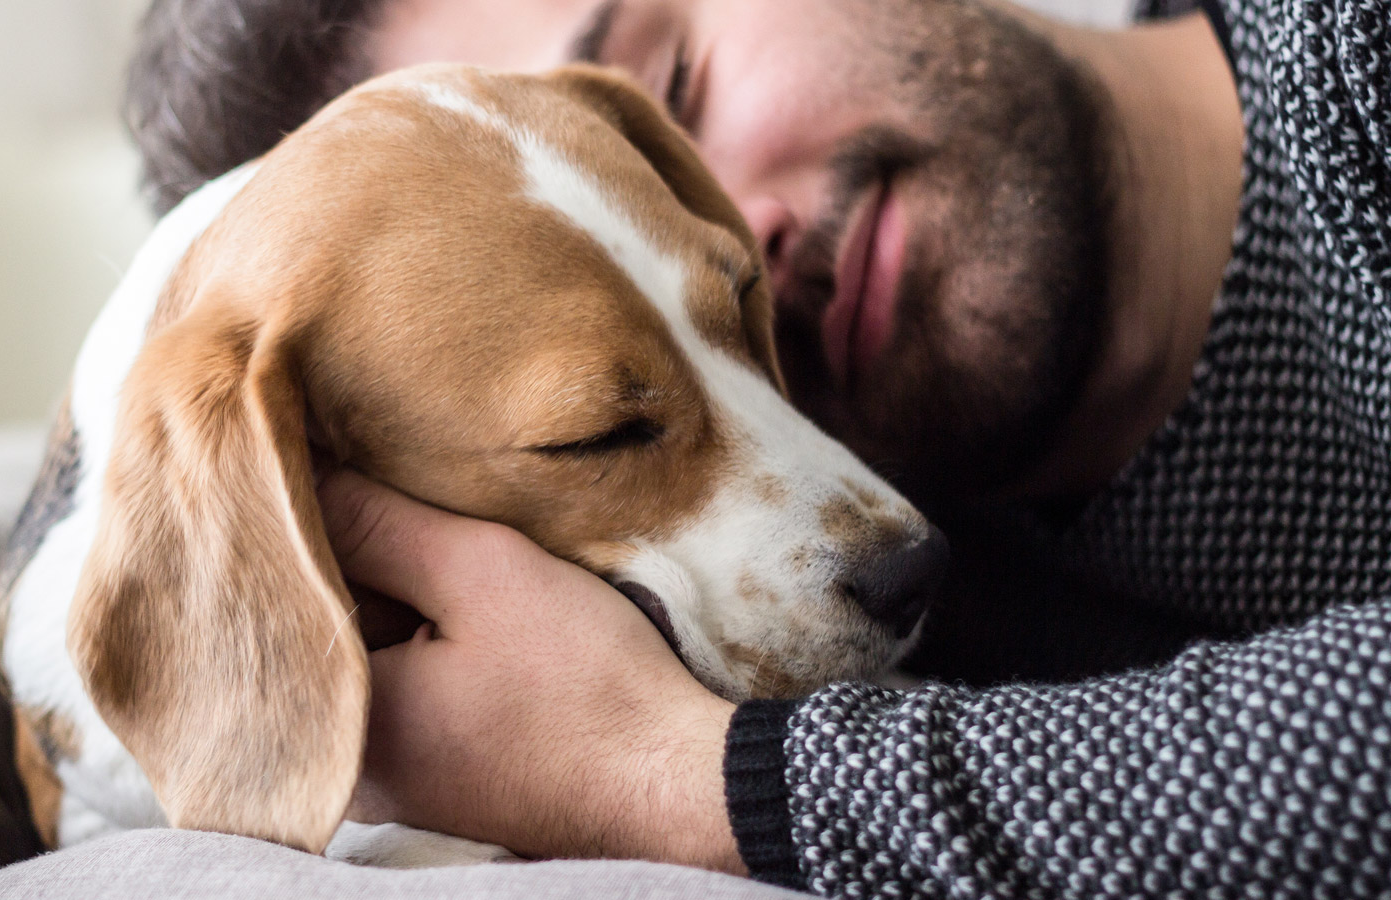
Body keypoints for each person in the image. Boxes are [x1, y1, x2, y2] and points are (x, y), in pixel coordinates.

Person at [125, 0, 1391, 895]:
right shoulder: (884, 570)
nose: (719, 223)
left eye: (669, 87)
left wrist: (693, 784)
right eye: (597, 422)